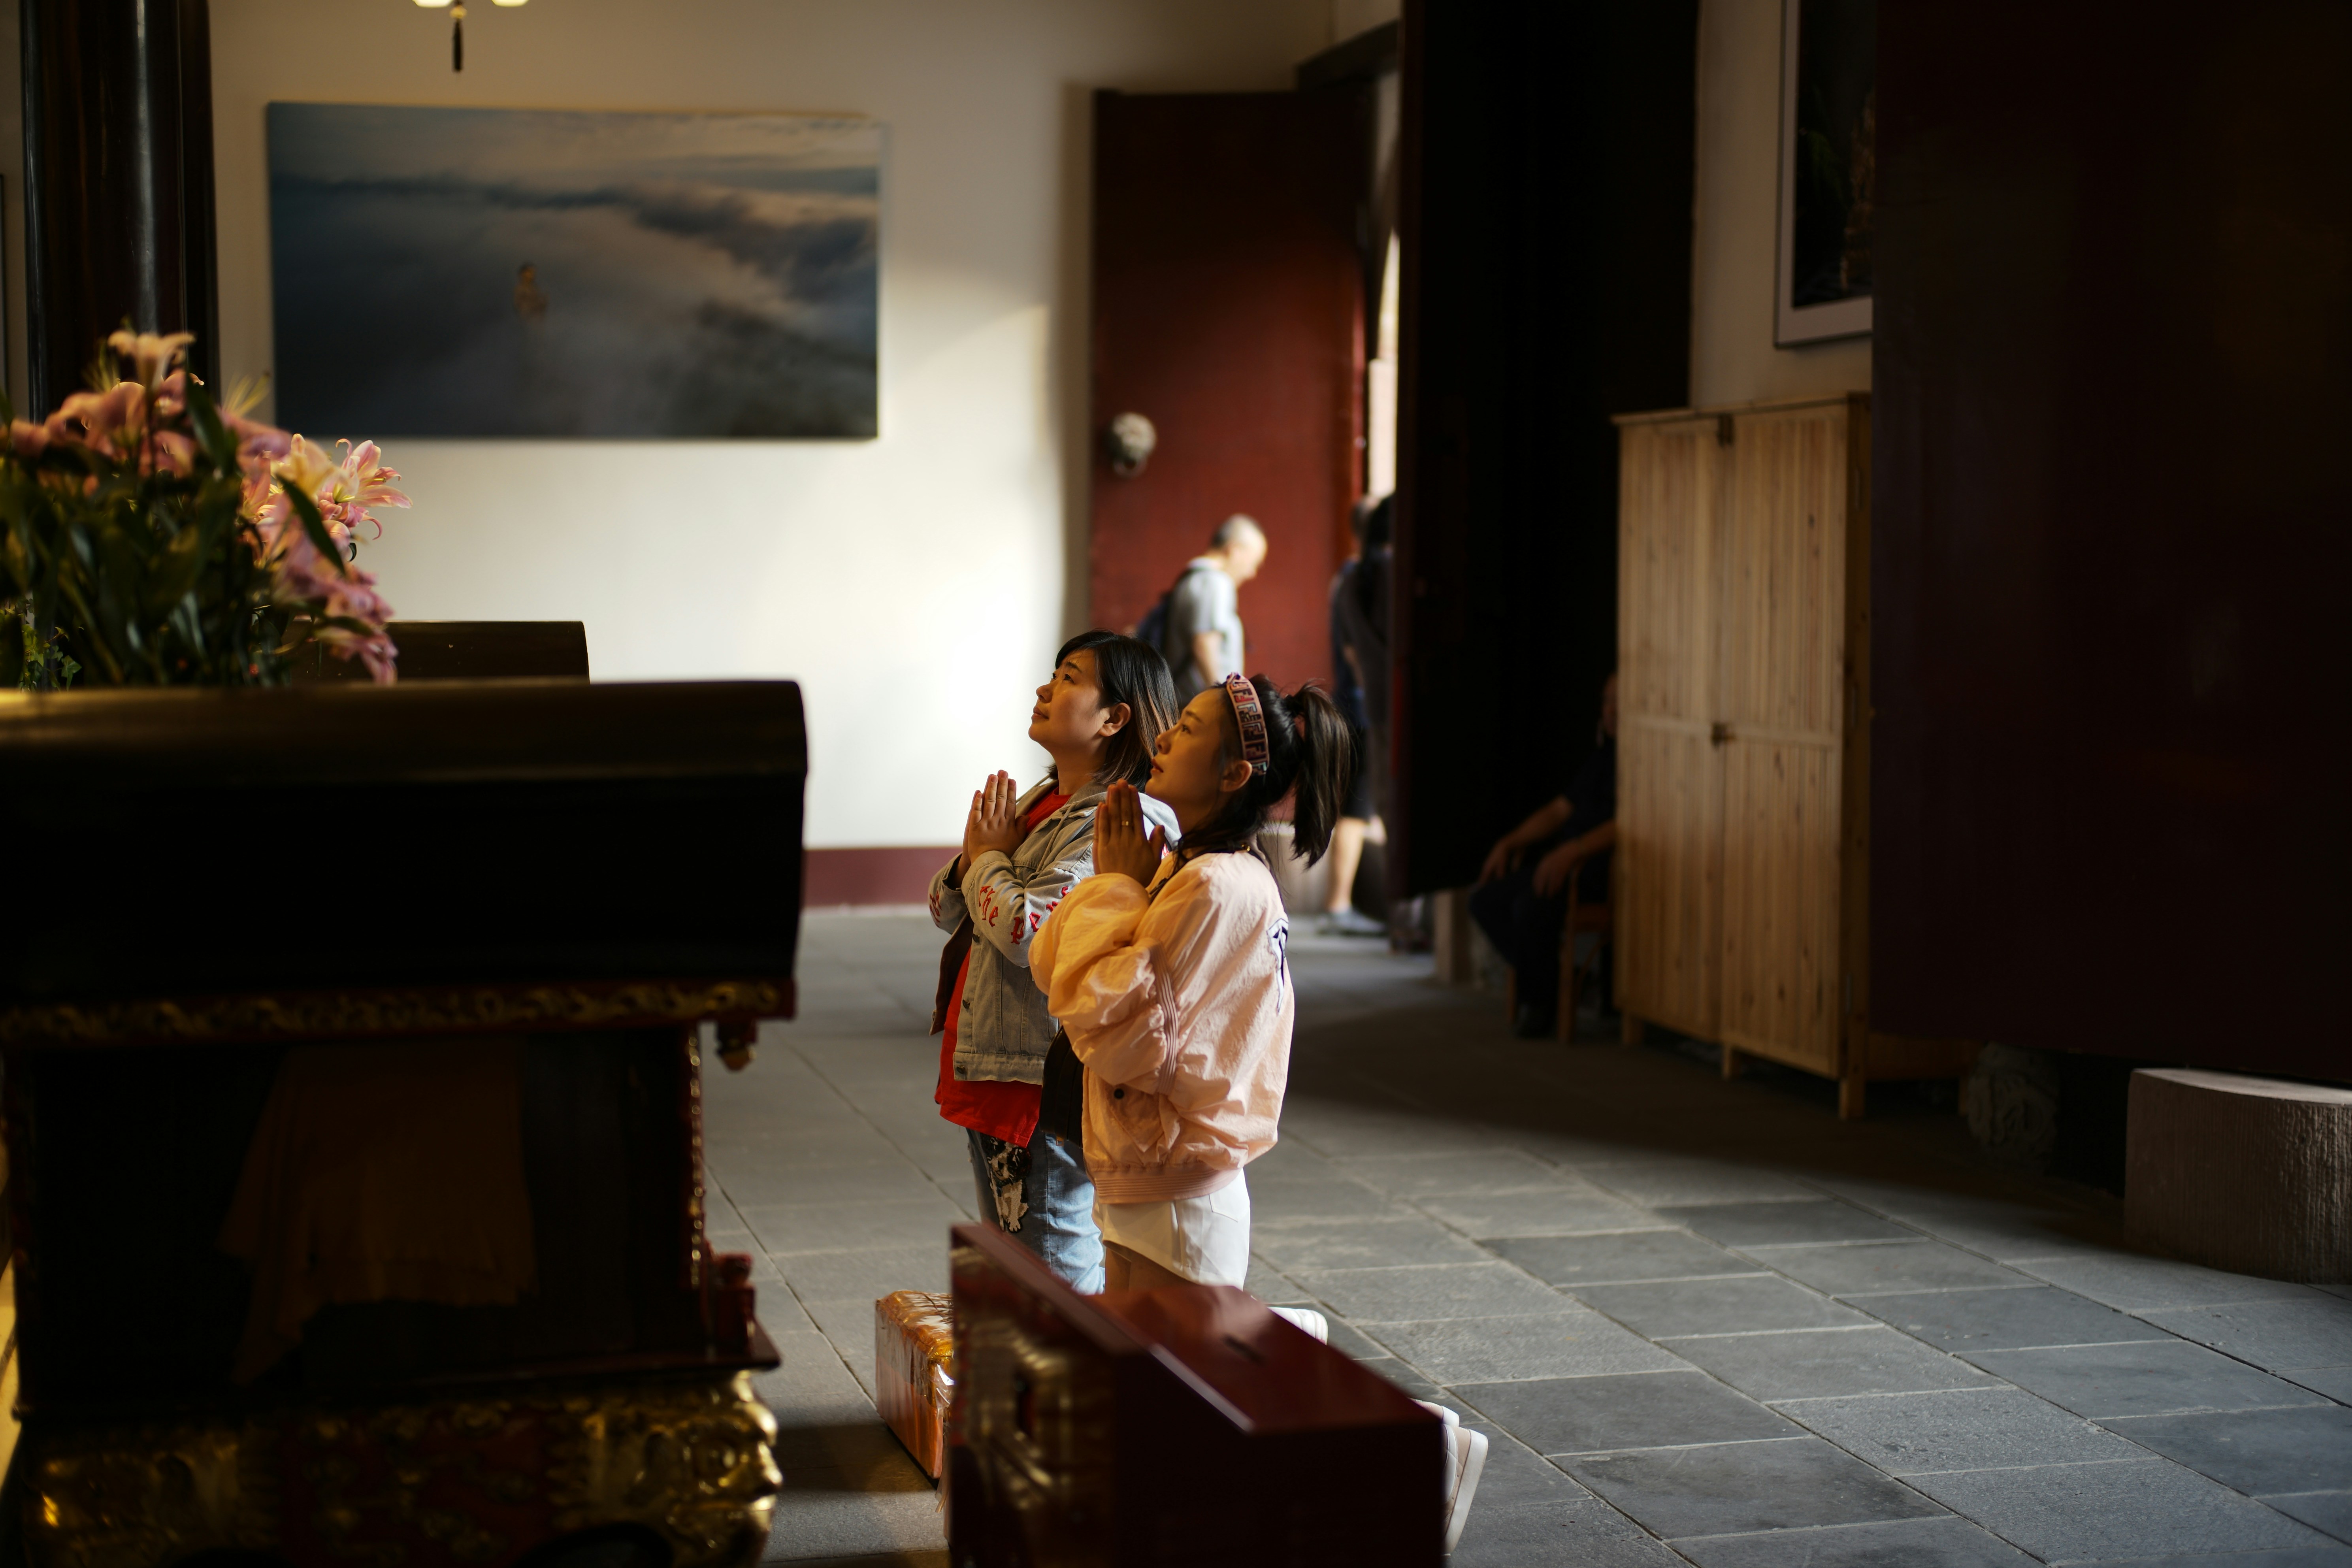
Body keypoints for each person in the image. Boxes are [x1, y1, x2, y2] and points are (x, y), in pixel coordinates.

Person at [1031, 673, 1487, 1548]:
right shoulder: (1194, 871)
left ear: (1234, 773)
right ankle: (1305, 1363)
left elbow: (1120, 1033)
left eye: (1188, 726)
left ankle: (1420, 1441)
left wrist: (1114, 889)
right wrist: (1118, 887)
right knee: (1166, 1377)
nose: (1166, 735)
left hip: (1177, 1176)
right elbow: (1064, 972)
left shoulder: (1215, 886)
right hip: (1151, 1164)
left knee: (1192, 1384)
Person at [926, 631, 1180, 1293]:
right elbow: (945, 905)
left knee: (1049, 1274)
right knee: (1021, 1263)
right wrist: (979, 860)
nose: (1045, 689)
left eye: (1069, 678)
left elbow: (1023, 929)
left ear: (1114, 717)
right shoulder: (1044, 800)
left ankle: (1083, 1366)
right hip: (996, 1062)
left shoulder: (1116, 818)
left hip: (1039, 1076)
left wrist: (986, 858)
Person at [1470, 672, 1619, 1039]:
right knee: (1486, 901)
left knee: (1530, 908)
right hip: (1563, 861)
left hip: (1598, 867)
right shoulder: (1602, 758)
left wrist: (1575, 851)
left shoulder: (1642, 761)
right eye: (1606, 701)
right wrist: (1510, 842)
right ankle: (1553, 981)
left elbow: (1632, 822)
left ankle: (1540, 1003)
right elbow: (1559, 810)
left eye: (1620, 701)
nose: (1611, 710)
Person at [1322, 495, 1393, 937]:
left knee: (1358, 804)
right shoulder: (1363, 577)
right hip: (1364, 704)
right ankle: (1338, 903)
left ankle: (1342, 903)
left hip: (1354, 701)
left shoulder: (1348, 577)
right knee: (1358, 805)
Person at [1161, 514, 1267, 699]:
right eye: (1253, 563)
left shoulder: (1193, 577)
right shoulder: (1215, 582)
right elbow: (1205, 643)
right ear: (1234, 551)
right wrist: (1222, 697)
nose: (1251, 573)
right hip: (1200, 705)